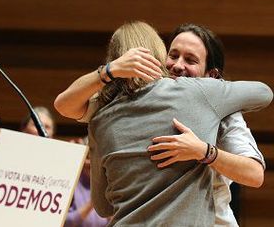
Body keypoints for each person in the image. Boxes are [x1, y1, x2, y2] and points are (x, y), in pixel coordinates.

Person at [60, 21, 272, 225]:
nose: (178, 66)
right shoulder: (118, 105)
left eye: (190, 60)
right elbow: (64, 105)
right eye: (173, 55)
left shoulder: (216, 103)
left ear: (212, 76)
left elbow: (254, 174)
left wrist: (204, 151)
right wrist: (109, 71)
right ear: (161, 57)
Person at [65, 146, 109, 227]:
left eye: (96, 159)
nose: (91, 163)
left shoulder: (105, 184)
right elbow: (66, 221)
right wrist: (92, 203)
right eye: (88, 157)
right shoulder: (71, 184)